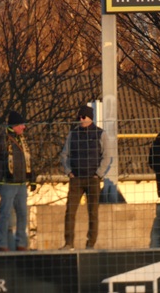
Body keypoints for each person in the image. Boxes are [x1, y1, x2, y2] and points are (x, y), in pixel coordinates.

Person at [60, 105, 111, 250]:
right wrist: (69, 172)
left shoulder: (101, 134)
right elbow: (64, 154)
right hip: (76, 179)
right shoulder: (73, 134)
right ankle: (69, 243)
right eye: (79, 117)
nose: (81, 119)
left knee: (93, 212)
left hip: (93, 179)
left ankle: (90, 244)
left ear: (90, 118)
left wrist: (98, 174)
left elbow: (107, 156)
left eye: (83, 117)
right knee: (70, 211)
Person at [0, 110, 35, 251]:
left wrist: (32, 179)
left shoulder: (23, 140)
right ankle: (2, 244)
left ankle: (21, 244)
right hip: (6, 183)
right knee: (5, 214)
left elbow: (29, 161)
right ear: (14, 125)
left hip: (21, 183)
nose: (24, 127)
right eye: (21, 124)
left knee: (23, 214)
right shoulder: (1, 139)